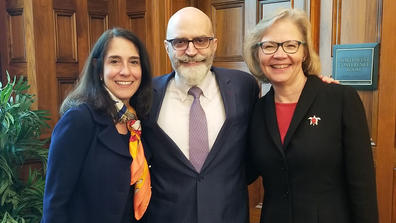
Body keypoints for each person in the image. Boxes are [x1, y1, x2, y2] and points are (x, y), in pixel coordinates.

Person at [244, 8, 378, 223]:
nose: (279, 55)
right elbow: (245, 172)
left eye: (290, 45)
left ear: (304, 52)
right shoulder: (256, 111)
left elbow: (362, 186)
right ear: (257, 53)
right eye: (269, 46)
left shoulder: (340, 100)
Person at [141, 7, 259, 223]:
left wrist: (315, 86)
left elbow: (255, 152)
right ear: (166, 47)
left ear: (214, 44)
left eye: (200, 40)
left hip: (228, 216)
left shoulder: (244, 87)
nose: (191, 51)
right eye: (180, 42)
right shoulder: (145, 95)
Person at [41, 28, 152, 223]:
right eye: (115, 61)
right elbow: (55, 206)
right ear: (99, 70)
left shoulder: (137, 122)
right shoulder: (78, 120)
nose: (126, 71)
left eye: (134, 62)